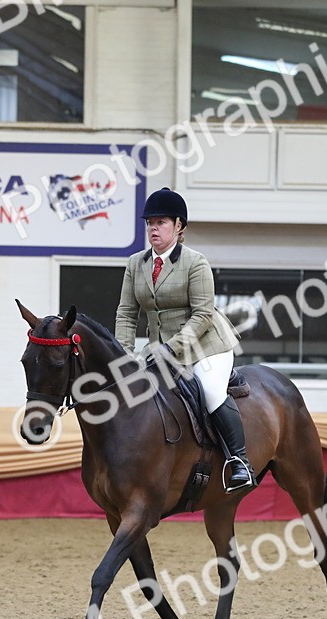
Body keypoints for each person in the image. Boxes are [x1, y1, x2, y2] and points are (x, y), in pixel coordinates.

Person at [114, 187, 255, 491]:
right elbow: (127, 313)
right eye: (149, 222)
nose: (153, 227)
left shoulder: (195, 262)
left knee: (211, 392)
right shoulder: (135, 264)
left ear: (179, 226)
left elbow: (203, 315)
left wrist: (169, 348)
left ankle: (239, 462)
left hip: (206, 346)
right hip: (161, 350)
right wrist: (123, 356)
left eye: (161, 222)